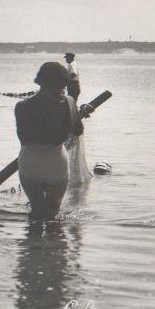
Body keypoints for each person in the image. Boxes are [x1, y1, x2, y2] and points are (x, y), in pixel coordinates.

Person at [14, 62, 94, 219]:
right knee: (53, 215)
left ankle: (34, 242)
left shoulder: (22, 106)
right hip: (56, 162)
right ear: (63, 84)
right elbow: (77, 131)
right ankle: (54, 243)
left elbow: (24, 138)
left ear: (40, 81)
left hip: (30, 163)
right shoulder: (69, 103)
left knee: (35, 212)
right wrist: (78, 114)